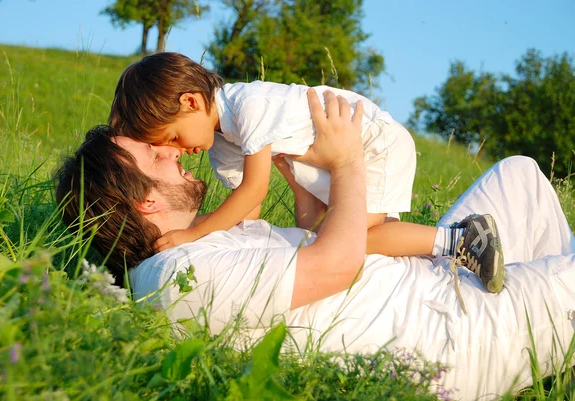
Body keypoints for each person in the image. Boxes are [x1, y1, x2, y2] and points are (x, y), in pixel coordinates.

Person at [56, 91, 575, 399]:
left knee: (521, 175)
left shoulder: (205, 242)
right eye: (154, 157)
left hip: (437, 280)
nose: (171, 153)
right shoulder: (172, 279)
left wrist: (303, 185)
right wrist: (346, 162)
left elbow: (322, 240)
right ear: (143, 202)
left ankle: (555, 343)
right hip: (451, 334)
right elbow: (335, 265)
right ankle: (537, 325)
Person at [108, 52, 504, 293]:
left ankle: (460, 240)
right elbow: (248, 215)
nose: (181, 152)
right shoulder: (222, 147)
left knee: (354, 238)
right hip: (335, 160)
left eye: (174, 137)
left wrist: (193, 231)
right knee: (332, 234)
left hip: (371, 143)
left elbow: (254, 189)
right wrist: (187, 237)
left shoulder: (250, 106)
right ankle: (437, 257)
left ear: (191, 101)